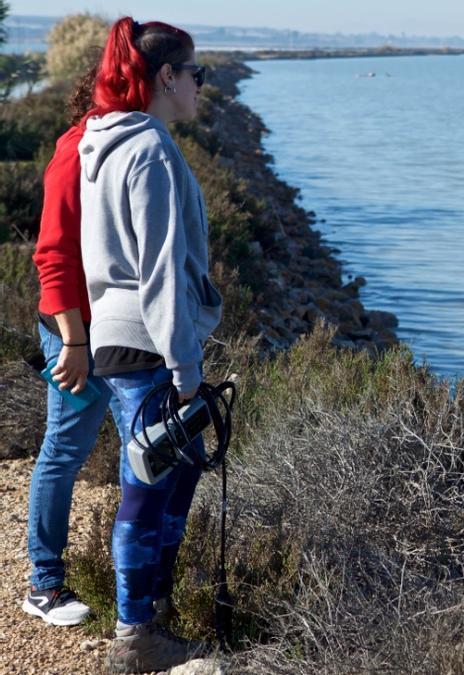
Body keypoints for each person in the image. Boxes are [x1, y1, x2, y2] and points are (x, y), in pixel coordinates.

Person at [78, 17, 219, 672]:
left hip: (117, 337)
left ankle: (153, 616)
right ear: (167, 77)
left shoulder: (100, 143)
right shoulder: (152, 151)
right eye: (196, 74)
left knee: (169, 474)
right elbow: (160, 269)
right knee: (146, 487)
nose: (200, 86)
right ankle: (136, 635)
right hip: (150, 345)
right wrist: (187, 367)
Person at [22, 66, 124, 628]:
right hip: (78, 335)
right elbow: (52, 257)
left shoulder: (126, 143)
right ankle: (45, 585)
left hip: (115, 331)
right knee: (63, 450)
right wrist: (74, 340)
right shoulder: (76, 150)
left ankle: (136, 584)